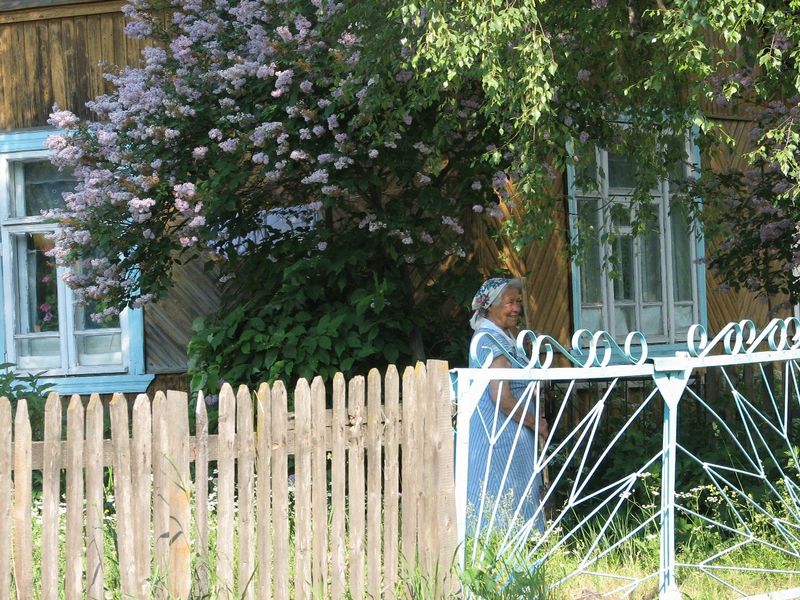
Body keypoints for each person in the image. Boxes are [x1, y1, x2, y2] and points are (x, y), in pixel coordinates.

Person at [466, 277, 547, 535]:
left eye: (518, 302)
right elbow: (502, 397)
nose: (516, 308)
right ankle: (494, 548)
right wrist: (536, 423)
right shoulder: (489, 339)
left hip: (512, 435)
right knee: (498, 495)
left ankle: (523, 546)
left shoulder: (506, 337)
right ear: (490, 306)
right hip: (497, 434)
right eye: (510, 302)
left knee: (516, 495)